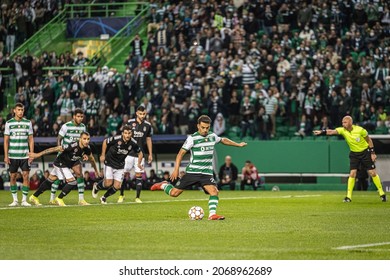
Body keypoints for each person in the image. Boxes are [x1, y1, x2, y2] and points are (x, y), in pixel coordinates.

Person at [150, 115, 247, 220]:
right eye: (203, 127)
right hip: (192, 172)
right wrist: (176, 169)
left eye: (207, 127)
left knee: (214, 191)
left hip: (206, 173)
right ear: (198, 126)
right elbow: (180, 154)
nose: (205, 130)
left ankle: (212, 215)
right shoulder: (192, 138)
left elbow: (223, 140)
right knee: (174, 193)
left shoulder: (212, 136)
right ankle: (164, 185)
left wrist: (238, 145)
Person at [314, 116, 386, 202]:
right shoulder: (343, 130)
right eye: (342, 122)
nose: (343, 124)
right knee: (352, 173)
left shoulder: (360, 130)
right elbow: (332, 131)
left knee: (372, 173)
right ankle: (348, 197)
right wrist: (322, 132)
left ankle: (382, 194)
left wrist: (372, 153)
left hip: (365, 152)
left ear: (350, 123)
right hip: (354, 154)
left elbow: (369, 140)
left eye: (345, 122)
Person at [28, 132, 100, 206]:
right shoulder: (72, 145)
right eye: (84, 139)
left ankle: (34, 196)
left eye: (88, 139)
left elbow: (92, 159)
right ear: (80, 139)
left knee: (49, 181)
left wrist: (96, 171)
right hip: (60, 164)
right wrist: (37, 155)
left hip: (66, 165)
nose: (86, 141)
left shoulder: (87, 149)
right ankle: (59, 198)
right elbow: (54, 149)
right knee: (72, 182)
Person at [92, 125, 143, 204]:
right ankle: (96, 186)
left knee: (117, 186)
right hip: (109, 163)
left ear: (131, 134)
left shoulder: (133, 143)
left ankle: (104, 197)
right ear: (123, 133)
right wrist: (102, 154)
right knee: (108, 183)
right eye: (125, 133)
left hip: (120, 165)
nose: (127, 135)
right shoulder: (116, 139)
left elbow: (140, 153)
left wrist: (139, 163)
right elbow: (105, 142)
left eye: (129, 133)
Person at [49, 108, 89, 205]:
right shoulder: (66, 126)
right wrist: (59, 149)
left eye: (82, 117)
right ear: (74, 116)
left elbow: (84, 141)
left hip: (75, 155)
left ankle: (81, 199)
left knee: (79, 174)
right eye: (78, 116)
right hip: (64, 155)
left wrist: (84, 153)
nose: (80, 119)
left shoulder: (83, 127)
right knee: (59, 177)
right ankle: (52, 198)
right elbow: (59, 138)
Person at [118, 105, 153, 203]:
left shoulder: (148, 125)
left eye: (144, 114)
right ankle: (121, 195)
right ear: (137, 113)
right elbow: (124, 137)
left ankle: (137, 197)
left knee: (138, 175)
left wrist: (150, 153)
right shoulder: (130, 122)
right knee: (123, 174)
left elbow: (149, 139)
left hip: (140, 155)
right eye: (141, 114)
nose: (142, 116)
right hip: (128, 154)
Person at [3, 103, 34, 206]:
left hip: (25, 155)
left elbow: (31, 139)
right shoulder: (8, 123)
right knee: (12, 177)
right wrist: (6, 156)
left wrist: (32, 153)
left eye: (22, 110)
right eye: (19, 110)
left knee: (26, 176)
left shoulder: (28, 123)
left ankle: (24, 200)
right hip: (13, 155)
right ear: (14, 111)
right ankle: (15, 200)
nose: (21, 111)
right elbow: (6, 141)